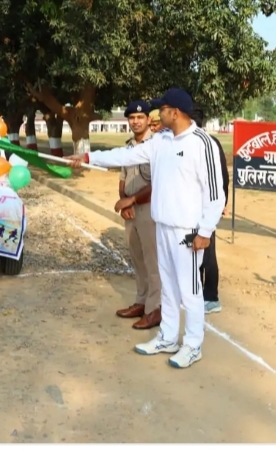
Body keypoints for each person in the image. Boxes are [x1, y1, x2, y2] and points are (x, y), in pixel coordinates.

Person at [65, 88, 225, 368]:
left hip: (188, 231)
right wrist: (89, 158)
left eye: (161, 110)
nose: (156, 115)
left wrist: (205, 231)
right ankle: (167, 338)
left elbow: (215, 193)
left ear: (175, 112)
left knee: (190, 291)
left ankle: (192, 345)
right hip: (162, 225)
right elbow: (125, 156)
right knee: (168, 289)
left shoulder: (202, 143)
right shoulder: (160, 140)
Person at [114, 100, 162, 330]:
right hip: (131, 211)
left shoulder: (157, 146)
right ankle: (141, 302)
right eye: (132, 118)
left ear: (149, 120)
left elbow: (158, 183)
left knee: (153, 262)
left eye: (140, 117)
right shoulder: (129, 147)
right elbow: (123, 178)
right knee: (137, 258)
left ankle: (155, 310)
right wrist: (124, 202)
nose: (135, 121)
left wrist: (131, 200)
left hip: (150, 210)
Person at [189, 107, 229, 314]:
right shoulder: (190, 143)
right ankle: (196, 293)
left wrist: (220, 205)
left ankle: (211, 297)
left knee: (207, 254)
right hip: (191, 209)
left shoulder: (209, 143)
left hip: (206, 209)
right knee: (193, 251)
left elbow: (222, 178)